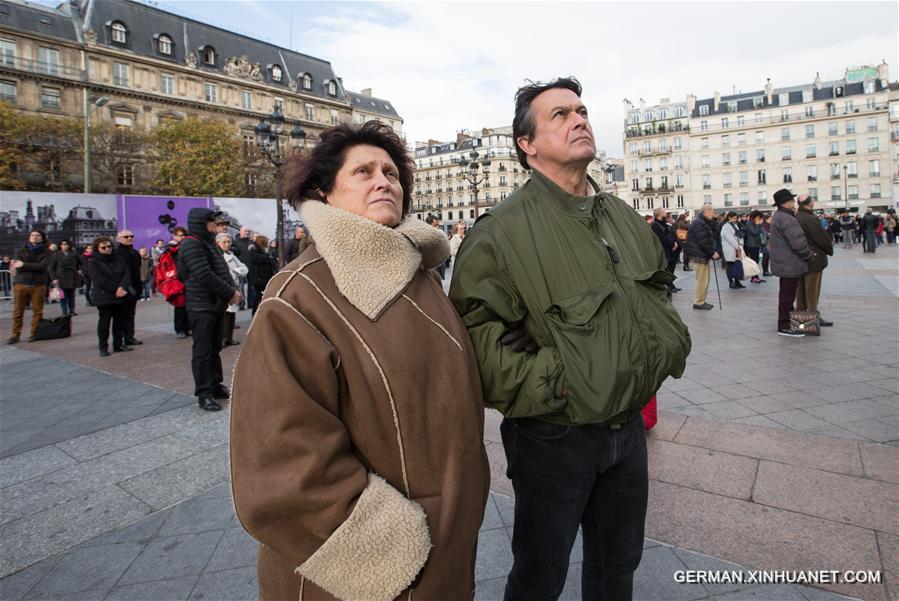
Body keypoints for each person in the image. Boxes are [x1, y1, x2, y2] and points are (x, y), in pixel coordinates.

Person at [449, 78, 690, 601]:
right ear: (527, 144)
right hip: (554, 435)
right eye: (559, 114)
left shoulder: (621, 215)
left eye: (581, 110)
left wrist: (655, 352)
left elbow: (656, 291)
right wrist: (563, 382)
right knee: (541, 572)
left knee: (618, 564)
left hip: (628, 429)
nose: (579, 119)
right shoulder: (499, 232)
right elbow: (476, 339)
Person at [230, 121, 489, 601]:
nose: (384, 181)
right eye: (364, 171)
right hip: (373, 569)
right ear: (324, 193)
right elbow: (282, 462)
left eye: (391, 172)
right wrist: (389, 546)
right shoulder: (298, 296)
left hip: (447, 536)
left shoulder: (419, 275)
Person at [178, 208, 241, 411]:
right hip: (201, 305)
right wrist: (229, 292)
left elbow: (219, 270)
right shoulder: (190, 244)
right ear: (201, 223)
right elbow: (204, 274)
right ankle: (204, 392)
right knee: (203, 350)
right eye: (212, 222)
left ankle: (215, 384)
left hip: (213, 304)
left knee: (214, 348)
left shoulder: (207, 243)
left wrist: (231, 290)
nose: (216, 225)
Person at [768, 189, 815, 337]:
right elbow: (798, 243)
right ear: (786, 202)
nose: (794, 202)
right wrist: (809, 255)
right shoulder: (787, 218)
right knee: (787, 296)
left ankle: (786, 323)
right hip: (790, 262)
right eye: (791, 200)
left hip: (785, 262)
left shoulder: (779, 216)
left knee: (786, 295)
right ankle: (784, 325)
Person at [794, 194, 834, 327]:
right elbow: (822, 239)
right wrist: (829, 250)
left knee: (800, 289)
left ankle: (800, 318)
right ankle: (812, 317)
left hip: (799, 258)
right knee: (812, 289)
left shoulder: (795, 217)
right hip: (814, 258)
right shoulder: (810, 218)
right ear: (810, 204)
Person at [6, 229, 51, 344]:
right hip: (21, 284)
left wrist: (24, 264)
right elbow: (17, 265)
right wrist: (31, 266)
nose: (35, 237)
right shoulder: (20, 250)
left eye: (38, 235)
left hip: (38, 284)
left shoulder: (46, 252)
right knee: (18, 311)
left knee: (37, 311)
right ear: (29, 237)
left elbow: (43, 266)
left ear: (42, 238)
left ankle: (34, 333)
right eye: (33, 235)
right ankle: (15, 335)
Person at [87, 236, 130, 356]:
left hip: (120, 295)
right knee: (104, 323)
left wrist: (122, 287)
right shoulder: (93, 261)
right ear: (97, 248)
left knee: (119, 322)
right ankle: (103, 347)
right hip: (104, 296)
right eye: (103, 247)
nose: (107, 249)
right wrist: (117, 288)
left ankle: (118, 344)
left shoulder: (119, 258)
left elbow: (126, 274)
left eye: (109, 246)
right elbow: (99, 279)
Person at [683, 205, 721, 310]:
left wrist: (713, 220)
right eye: (712, 211)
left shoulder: (703, 221)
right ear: (706, 212)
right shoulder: (699, 223)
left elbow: (712, 234)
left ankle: (701, 300)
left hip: (702, 254)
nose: (713, 213)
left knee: (705, 279)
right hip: (699, 254)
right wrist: (712, 253)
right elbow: (703, 241)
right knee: (702, 280)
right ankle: (698, 302)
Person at [155, 227, 191, 338]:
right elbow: (165, 267)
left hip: (188, 280)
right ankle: (180, 329)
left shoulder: (187, 248)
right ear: (174, 236)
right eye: (180, 235)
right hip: (176, 281)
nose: (183, 237)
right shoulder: (170, 250)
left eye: (184, 235)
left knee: (188, 306)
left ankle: (187, 327)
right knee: (180, 306)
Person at [215, 232, 246, 346]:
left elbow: (244, 268)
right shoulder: (216, 255)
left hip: (233, 285)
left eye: (228, 242)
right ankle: (222, 338)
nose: (227, 244)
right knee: (223, 313)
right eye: (224, 242)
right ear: (218, 243)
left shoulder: (232, 256)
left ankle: (229, 337)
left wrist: (237, 271)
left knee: (232, 313)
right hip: (222, 286)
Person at [115, 230, 142, 346]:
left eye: (131, 236)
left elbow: (138, 268)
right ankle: (120, 340)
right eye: (126, 236)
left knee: (131, 314)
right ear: (119, 239)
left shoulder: (135, 253)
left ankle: (129, 337)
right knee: (121, 315)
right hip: (123, 287)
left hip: (135, 287)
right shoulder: (117, 253)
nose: (129, 238)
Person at [49, 239, 84, 316]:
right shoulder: (56, 254)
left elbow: (82, 262)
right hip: (60, 277)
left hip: (72, 275)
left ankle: (72, 310)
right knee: (62, 296)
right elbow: (51, 267)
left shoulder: (74, 254)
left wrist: (80, 270)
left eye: (66, 244)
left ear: (69, 245)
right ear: (60, 245)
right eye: (63, 244)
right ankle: (64, 312)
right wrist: (54, 278)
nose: (65, 245)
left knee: (71, 295)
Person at [650, 208, 681, 292]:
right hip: (663, 251)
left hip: (668, 250)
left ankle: (671, 285)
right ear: (659, 214)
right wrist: (672, 244)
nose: (665, 213)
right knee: (666, 269)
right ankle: (669, 286)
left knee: (669, 269)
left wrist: (673, 244)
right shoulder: (655, 225)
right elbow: (662, 238)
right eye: (663, 212)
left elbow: (667, 236)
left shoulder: (662, 223)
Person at [245, 235, 277, 315]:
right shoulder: (254, 250)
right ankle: (255, 312)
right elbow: (259, 258)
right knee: (258, 296)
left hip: (264, 278)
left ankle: (261, 311)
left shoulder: (261, 251)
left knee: (262, 295)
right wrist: (267, 257)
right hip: (259, 278)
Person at [720, 212, 746, 289]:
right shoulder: (726, 226)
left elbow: (739, 235)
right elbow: (730, 238)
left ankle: (737, 281)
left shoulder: (735, 225)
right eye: (734, 218)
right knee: (730, 265)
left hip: (737, 248)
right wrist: (738, 246)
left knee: (737, 265)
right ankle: (731, 282)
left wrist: (741, 245)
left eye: (736, 218)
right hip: (730, 248)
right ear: (729, 218)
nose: (735, 220)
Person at [232, 226, 254, 310]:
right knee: (241, 287)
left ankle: (251, 304)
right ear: (240, 232)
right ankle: (241, 304)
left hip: (251, 266)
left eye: (248, 231)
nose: (247, 233)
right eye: (245, 231)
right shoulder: (235, 242)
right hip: (240, 268)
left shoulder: (251, 242)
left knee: (251, 287)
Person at [743, 212, 766, 284]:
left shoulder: (756, 223)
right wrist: (758, 225)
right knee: (754, 261)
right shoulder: (749, 223)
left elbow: (762, 232)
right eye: (759, 217)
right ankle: (753, 277)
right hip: (751, 245)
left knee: (757, 260)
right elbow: (754, 232)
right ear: (755, 217)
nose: (759, 219)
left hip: (756, 244)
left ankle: (756, 277)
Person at [425, 214, 447, 279]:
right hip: (430, 266)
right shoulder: (424, 236)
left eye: (438, 225)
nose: (437, 227)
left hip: (439, 265)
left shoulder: (439, 234)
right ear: (428, 225)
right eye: (435, 225)